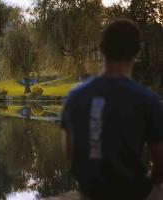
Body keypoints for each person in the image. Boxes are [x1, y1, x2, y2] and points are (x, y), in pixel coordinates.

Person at [61, 18, 163, 200]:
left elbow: (70, 152)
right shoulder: (148, 100)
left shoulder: (74, 97)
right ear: (137, 52)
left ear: (101, 49)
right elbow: (161, 166)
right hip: (132, 193)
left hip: (89, 192)